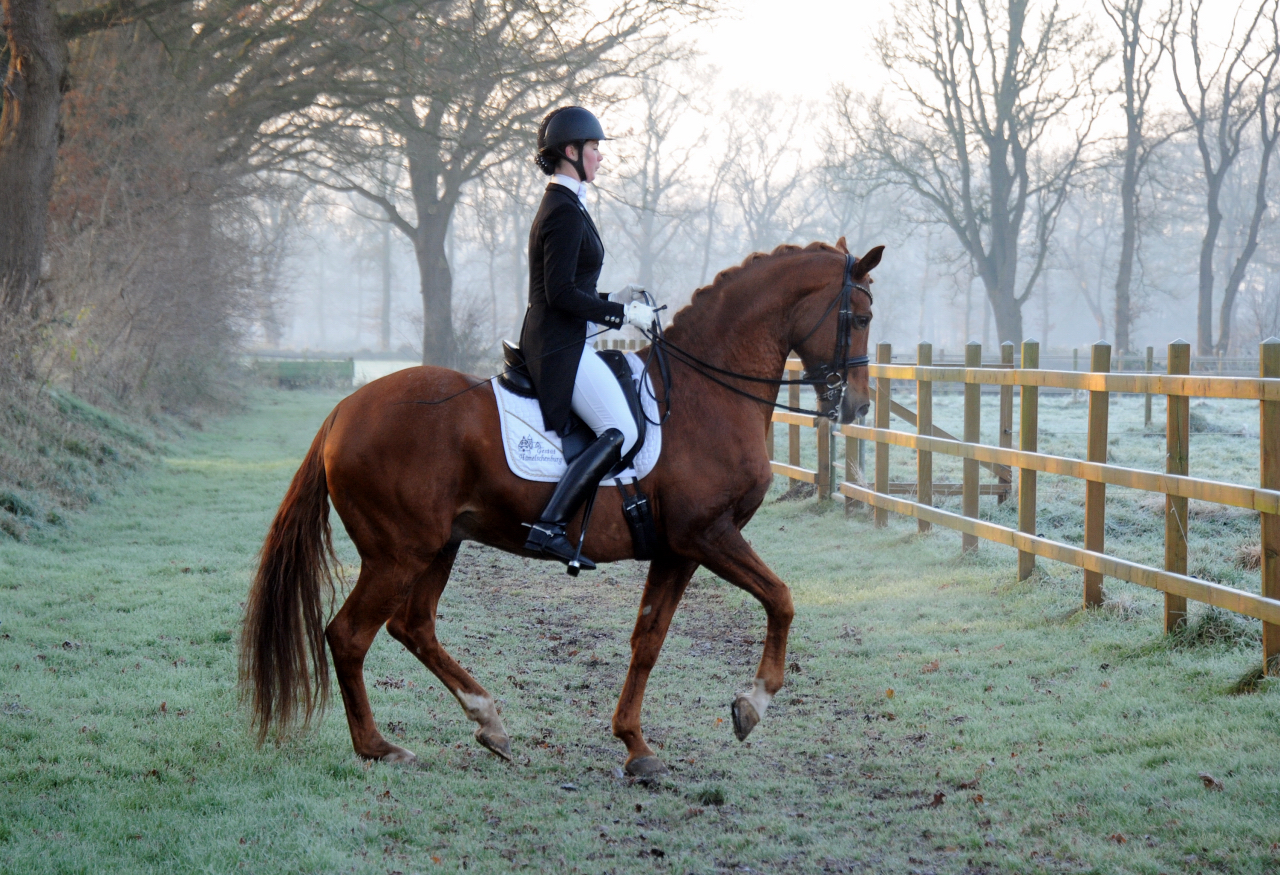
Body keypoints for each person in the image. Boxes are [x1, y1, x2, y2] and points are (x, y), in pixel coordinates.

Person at [519, 106, 655, 569]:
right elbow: (558, 293)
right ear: (571, 152)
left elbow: (568, 286)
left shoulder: (567, 203)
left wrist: (611, 298)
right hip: (559, 346)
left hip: (565, 337)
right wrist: (621, 313)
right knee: (623, 428)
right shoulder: (564, 210)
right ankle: (551, 524)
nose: (599, 157)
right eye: (594, 148)